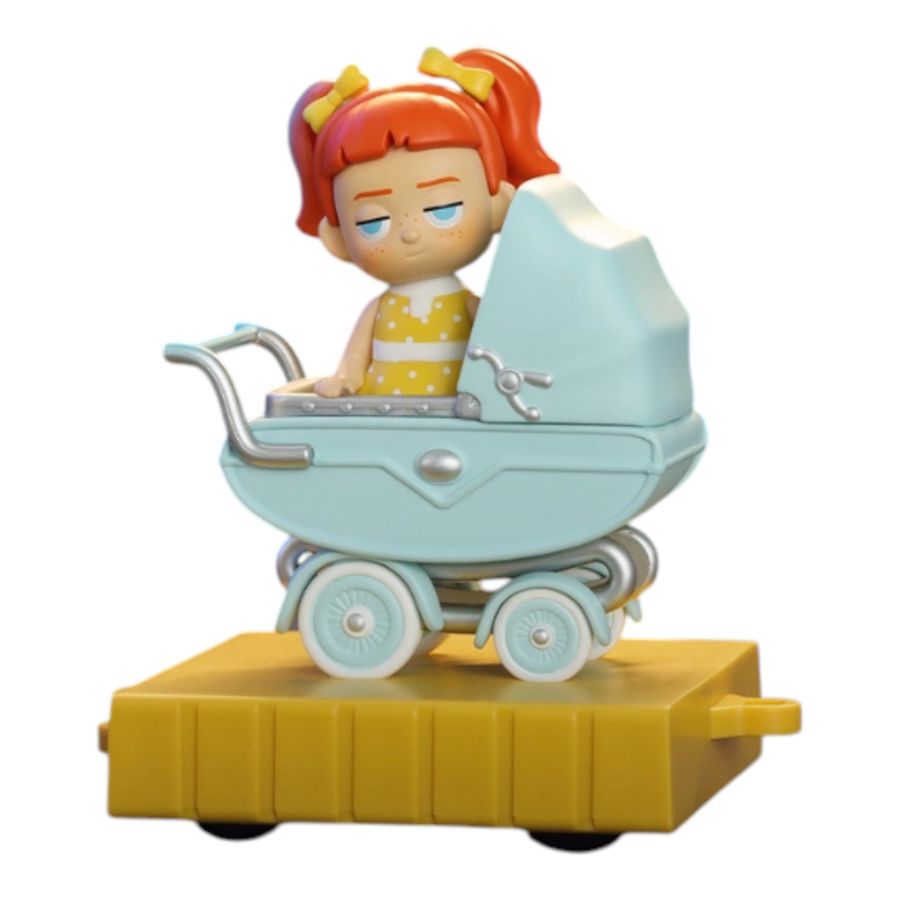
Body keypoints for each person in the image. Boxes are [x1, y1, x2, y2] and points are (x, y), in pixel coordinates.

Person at [289, 47, 559, 398]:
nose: (411, 232)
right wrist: (345, 378)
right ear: (338, 239)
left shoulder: (470, 308)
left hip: (453, 416)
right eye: (374, 222)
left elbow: (505, 351)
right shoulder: (378, 312)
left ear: (498, 206)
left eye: (443, 210)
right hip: (381, 413)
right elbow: (352, 365)